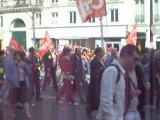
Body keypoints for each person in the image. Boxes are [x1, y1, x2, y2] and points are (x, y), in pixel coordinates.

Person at [96, 44, 139, 120]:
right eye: (134, 59)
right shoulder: (112, 71)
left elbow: (118, 98)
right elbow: (106, 102)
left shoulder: (122, 73)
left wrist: (130, 93)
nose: (136, 62)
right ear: (126, 55)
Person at [5, 51, 32, 119]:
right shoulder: (12, 64)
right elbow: (8, 75)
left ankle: (28, 114)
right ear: (14, 56)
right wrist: (13, 81)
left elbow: (29, 71)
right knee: (13, 100)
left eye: (19, 56)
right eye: (17, 56)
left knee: (25, 99)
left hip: (23, 83)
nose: (18, 57)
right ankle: (12, 113)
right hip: (14, 85)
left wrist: (24, 66)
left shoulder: (23, 63)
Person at [86, 47, 105, 117]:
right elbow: (95, 74)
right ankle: (89, 110)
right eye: (103, 51)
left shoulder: (99, 60)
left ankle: (91, 110)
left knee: (95, 99)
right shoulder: (95, 61)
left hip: (97, 83)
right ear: (99, 52)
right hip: (95, 83)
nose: (104, 53)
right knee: (94, 98)